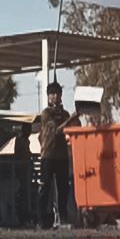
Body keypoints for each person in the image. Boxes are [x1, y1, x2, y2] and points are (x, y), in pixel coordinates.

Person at [38, 82, 77, 228]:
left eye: (58, 93)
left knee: (63, 188)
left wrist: (75, 118)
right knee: (45, 188)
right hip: (48, 155)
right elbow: (56, 130)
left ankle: (63, 218)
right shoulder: (46, 113)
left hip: (62, 156)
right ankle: (42, 220)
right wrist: (70, 119)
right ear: (48, 96)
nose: (55, 96)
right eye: (52, 94)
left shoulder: (65, 114)